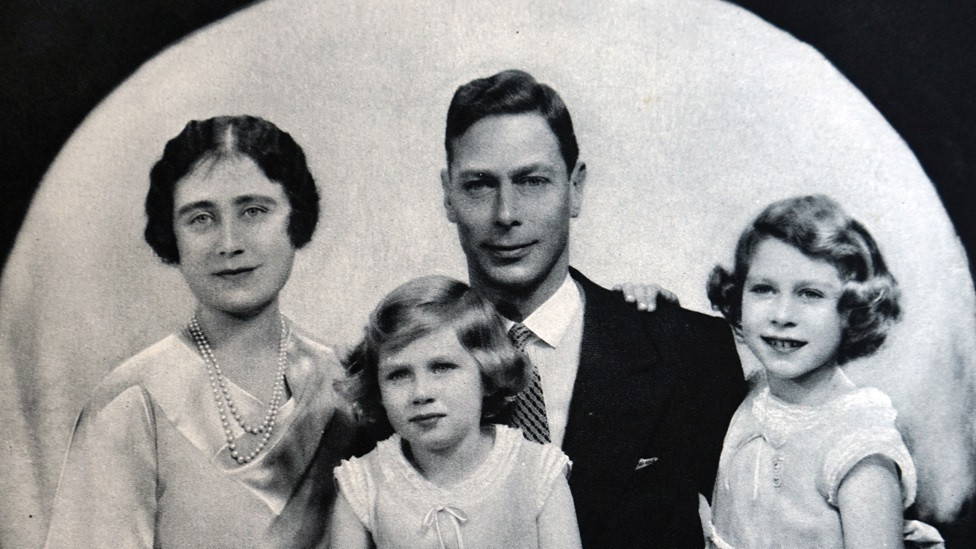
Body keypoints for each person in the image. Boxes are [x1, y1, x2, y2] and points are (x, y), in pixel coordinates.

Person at [438, 69, 747, 548]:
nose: (506, 214)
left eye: (533, 181)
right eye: (479, 184)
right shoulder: (406, 365)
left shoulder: (688, 349)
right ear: (448, 195)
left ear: (575, 187)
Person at [44, 115, 357, 549]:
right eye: (201, 218)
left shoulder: (345, 384)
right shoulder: (130, 402)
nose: (229, 242)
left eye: (254, 211)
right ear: (172, 235)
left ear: (296, 219)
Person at [702, 194, 943, 548]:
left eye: (810, 294)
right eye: (763, 289)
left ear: (853, 311)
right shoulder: (754, 392)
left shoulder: (858, 450)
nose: (782, 315)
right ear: (737, 299)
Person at [330, 275, 582, 549]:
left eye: (442, 367)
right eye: (399, 374)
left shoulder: (537, 472)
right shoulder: (363, 484)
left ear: (486, 374)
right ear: (377, 387)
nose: (421, 393)